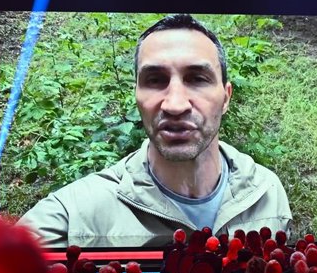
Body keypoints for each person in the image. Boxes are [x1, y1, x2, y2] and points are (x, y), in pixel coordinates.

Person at [18, 14, 293, 247]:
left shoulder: (266, 192)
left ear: (226, 97)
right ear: (136, 95)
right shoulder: (73, 215)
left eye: (197, 78)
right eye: (155, 80)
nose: (175, 104)